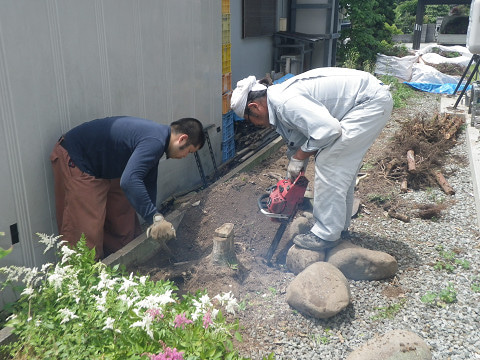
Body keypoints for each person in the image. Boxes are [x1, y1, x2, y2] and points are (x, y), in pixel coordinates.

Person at [230, 68, 393, 251]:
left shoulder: (285, 103)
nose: (254, 124)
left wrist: (300, 156)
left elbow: (329, 130)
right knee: (341, 169)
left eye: (250, 119)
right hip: (367, 100)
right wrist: (291, 178)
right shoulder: (278, 103)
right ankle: (340, 228)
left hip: (368, 102)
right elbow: (299, 140)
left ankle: (326, 235)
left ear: (254, 107)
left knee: (329, 161)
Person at [50, 116, 205, 259]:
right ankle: (84, 281)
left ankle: (119, 268)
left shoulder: (158, 140)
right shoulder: (155, 141)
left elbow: (148, 183)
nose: (185, 156)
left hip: (107, 167)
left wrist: (156, 217)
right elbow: (129, 181)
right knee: (85, 233)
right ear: (182, 138)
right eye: (188, 151)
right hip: (79, 161)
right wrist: (154, 217)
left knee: (123, 223)